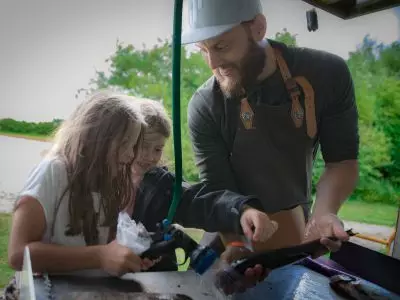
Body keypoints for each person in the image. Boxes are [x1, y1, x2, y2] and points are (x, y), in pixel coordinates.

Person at [3, 91, 275, 299]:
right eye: (127, 145)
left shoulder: (114, 179)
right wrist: (100, 256)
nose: (131, 156)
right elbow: (18, 254)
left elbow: (198, 200)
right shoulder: (53, 172)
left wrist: (128, 256)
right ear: (95, 139)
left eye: (135, 146)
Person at [183, 0, 359, 290]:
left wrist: (324, 214)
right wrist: (238, 245)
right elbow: (217, 190)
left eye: (222, 46)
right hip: (229, 236)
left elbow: (342, 162)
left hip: (295, 231)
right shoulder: (205, 105)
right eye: (203, 50)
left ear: (258, 28)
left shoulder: (327, 75)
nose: (213, 64)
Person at [126, 98, 278, 276]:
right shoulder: (101, 185)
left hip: (156, 279)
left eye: (157, 149)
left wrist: (243, 210)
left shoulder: (164, 186)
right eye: (144, 147)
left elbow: (205, 202)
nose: (150, 157)